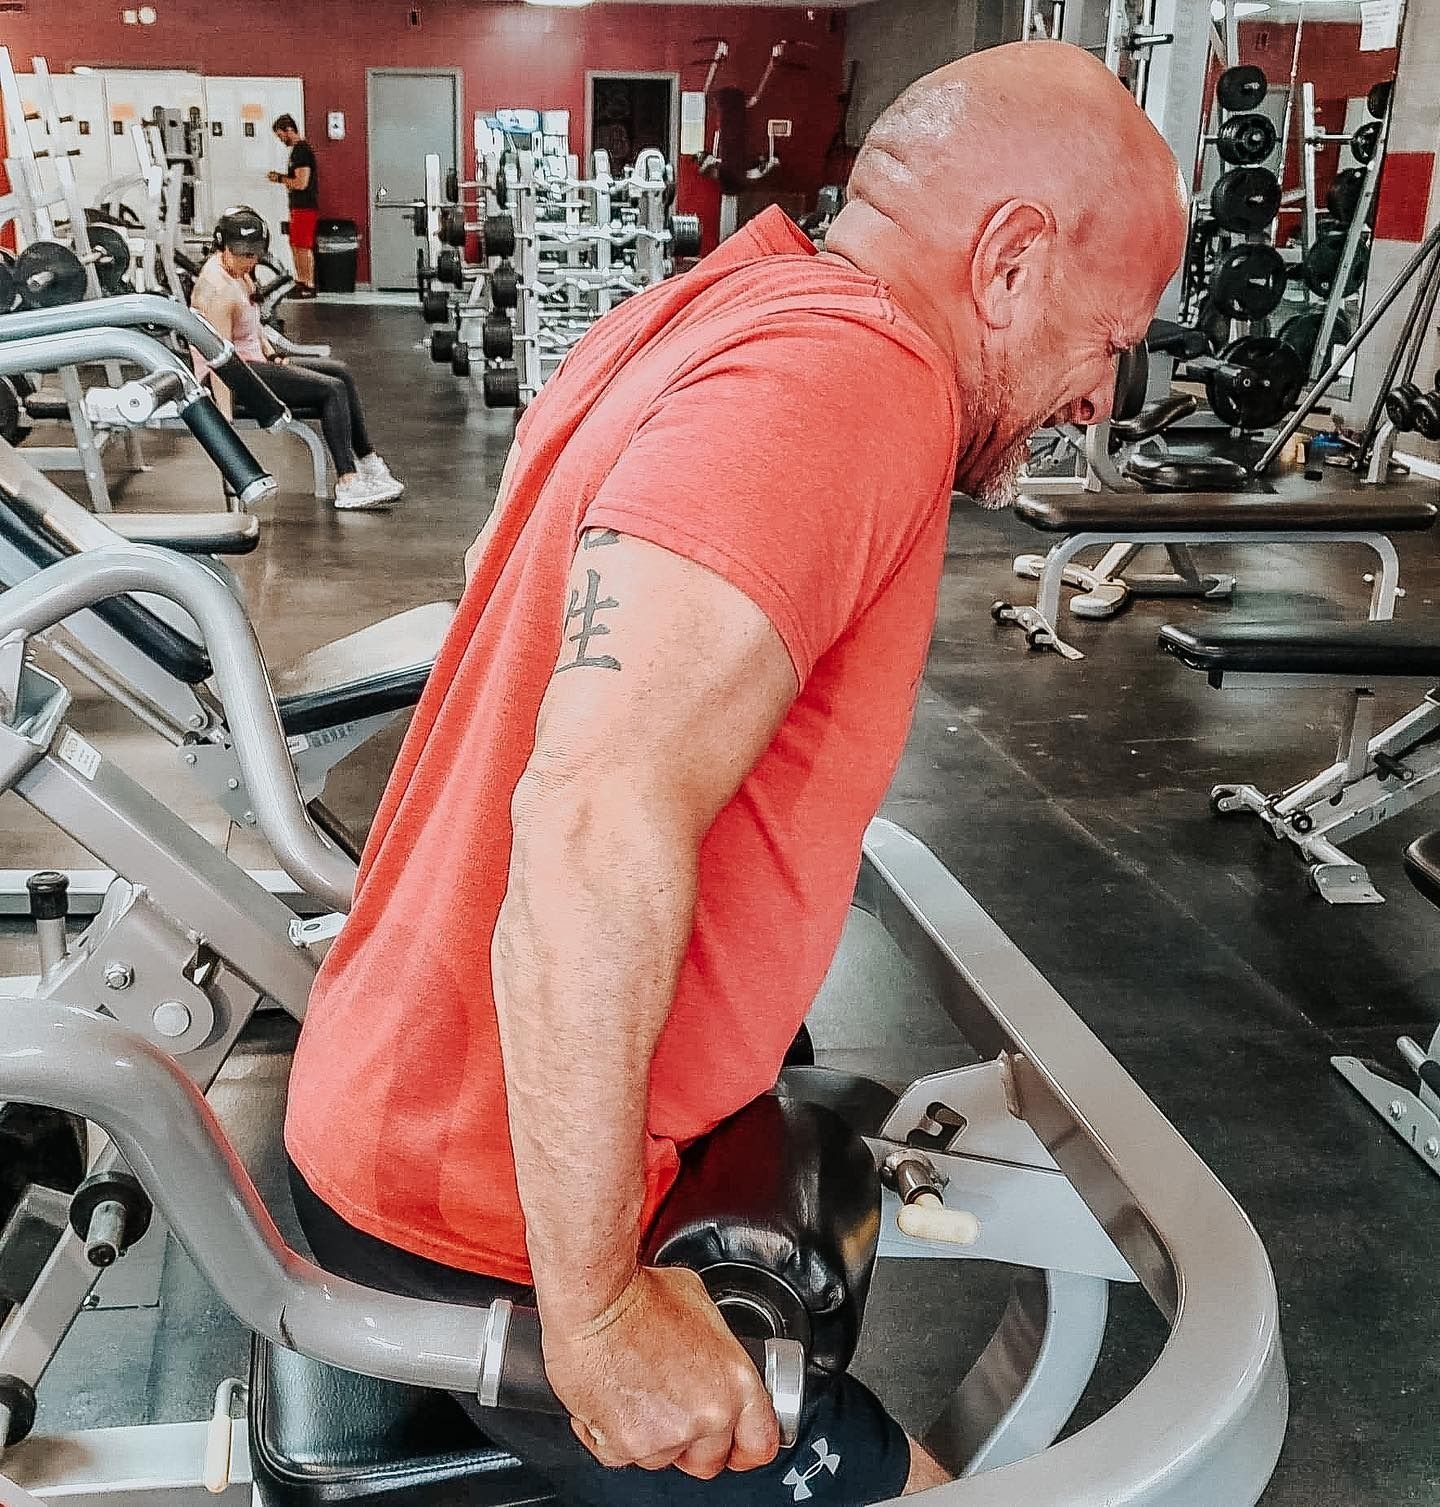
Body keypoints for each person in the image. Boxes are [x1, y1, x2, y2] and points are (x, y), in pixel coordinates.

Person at [285, 42, 1188, 1504]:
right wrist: (594, 1310)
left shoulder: (709, 300)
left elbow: (502, 605)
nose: (1099, 397)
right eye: (1111, 340)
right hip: (490, 1224)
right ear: (1012, 259)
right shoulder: (859, 374)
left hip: (415, 1126)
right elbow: (589, 813)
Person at [190, 206, 404, 510]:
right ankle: (349, 483)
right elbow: (220, 361)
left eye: (253, 255)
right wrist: (224, 423)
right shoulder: (217, 291)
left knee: (340, 372)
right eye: (240, 254)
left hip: (253, 366)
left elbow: (252, 324)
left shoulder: (239, 273)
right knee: (331, 389)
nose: (247, 261)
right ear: (222, 246)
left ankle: (371, 465)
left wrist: (274, 355)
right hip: (232, 381)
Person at [268, 114, 319, 298]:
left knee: (303, 246)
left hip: (305, 206)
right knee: (296, 245)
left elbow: (301, 182)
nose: (281, 140)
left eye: (281, 135)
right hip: (298, 206)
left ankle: (308, 284)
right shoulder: (297, 152)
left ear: (289, 130)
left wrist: (280, 178)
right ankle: (302, 280)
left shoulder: (301, 151)